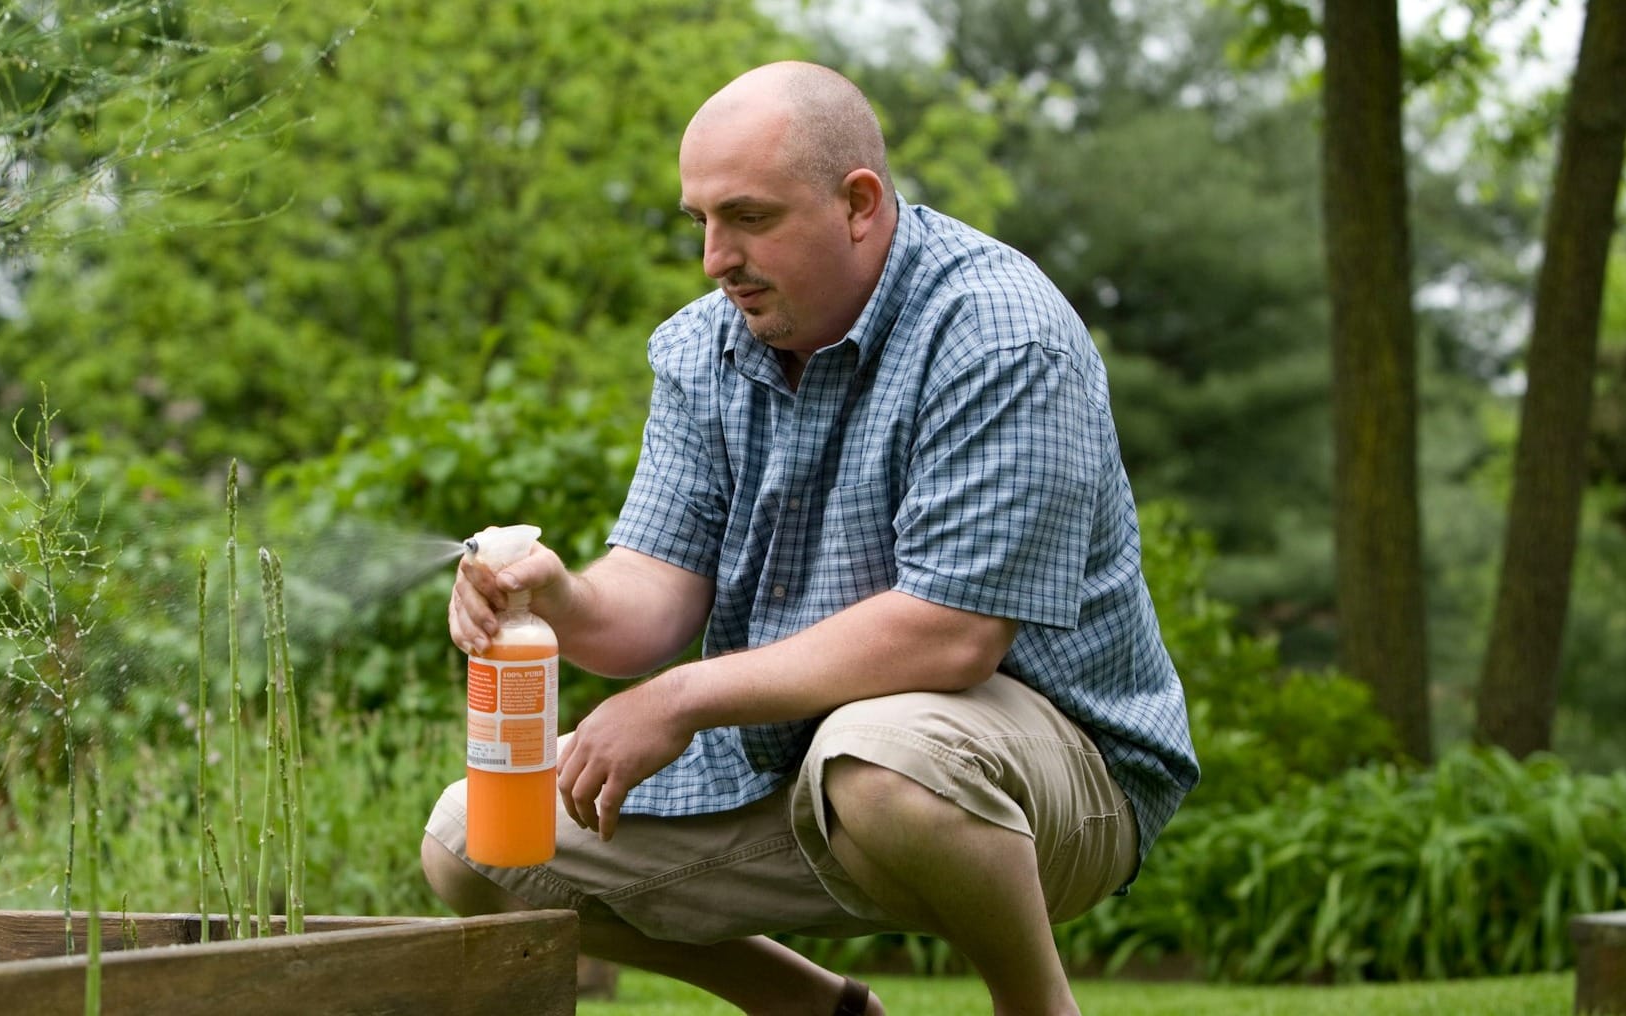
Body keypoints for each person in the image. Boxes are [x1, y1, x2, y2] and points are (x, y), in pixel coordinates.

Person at [423, 60, 1198, 1016]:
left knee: (878, 758)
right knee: (476, 842)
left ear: (859, 203)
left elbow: (954, 635)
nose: (715, 257)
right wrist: (557, 595)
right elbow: (651, 598)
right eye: (699, 221)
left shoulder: (999, 334)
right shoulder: (700, 349)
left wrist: (682, 699)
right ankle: (817, 1011)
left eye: (748, 217)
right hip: (804, 760)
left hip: (1056, 777)